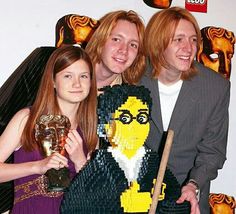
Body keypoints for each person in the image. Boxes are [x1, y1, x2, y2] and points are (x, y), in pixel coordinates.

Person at [139, 6, 230, 214]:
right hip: (135, 197)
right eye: (178, 39)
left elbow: (213, 152)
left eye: (193, 40)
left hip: (184, 200)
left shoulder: (215, 87)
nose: (188, 48)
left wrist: (193, 185)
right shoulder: (133, 77)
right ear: (158, 42)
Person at [60, 84, 191, 213]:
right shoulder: (98, 168)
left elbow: (180, 206)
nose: (135, 127)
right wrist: (121, 204)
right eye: (125, 118)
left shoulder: (155, 164)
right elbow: (72, 208)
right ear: (107, 126)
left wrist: (154, 204)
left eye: (141, 118)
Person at [0, 45, 98, 213]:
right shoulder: (27, 119)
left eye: (83, 76)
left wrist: (81, 161)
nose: (77, 83)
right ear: (52, 80)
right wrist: (37, 167)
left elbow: (96, 197)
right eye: (68, 76)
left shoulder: (91, 129)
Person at [85, 10, 146, 92]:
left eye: (133, 45)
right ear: (100, 39)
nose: (124, 50)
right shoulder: (67, 77)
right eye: (116, 39)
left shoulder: (133, 96)